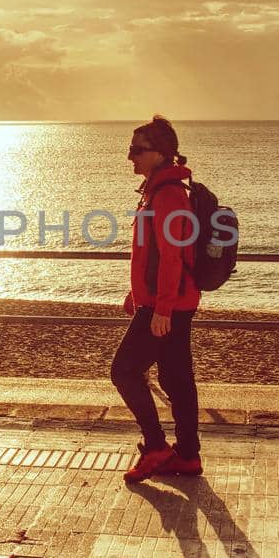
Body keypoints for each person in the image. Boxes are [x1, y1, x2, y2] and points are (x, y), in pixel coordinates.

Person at [112, 115, 203, 482]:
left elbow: (172, 256)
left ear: (161, 153)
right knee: (176, 378)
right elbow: (150, 253)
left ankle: (156, 447)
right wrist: (137, 294)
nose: (129, 156)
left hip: (169, 305)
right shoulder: (158, 190)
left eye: (137, 150)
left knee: (124, 371)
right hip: (170, 302)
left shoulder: (168, 195)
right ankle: (188, 455)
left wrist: (160, 307)